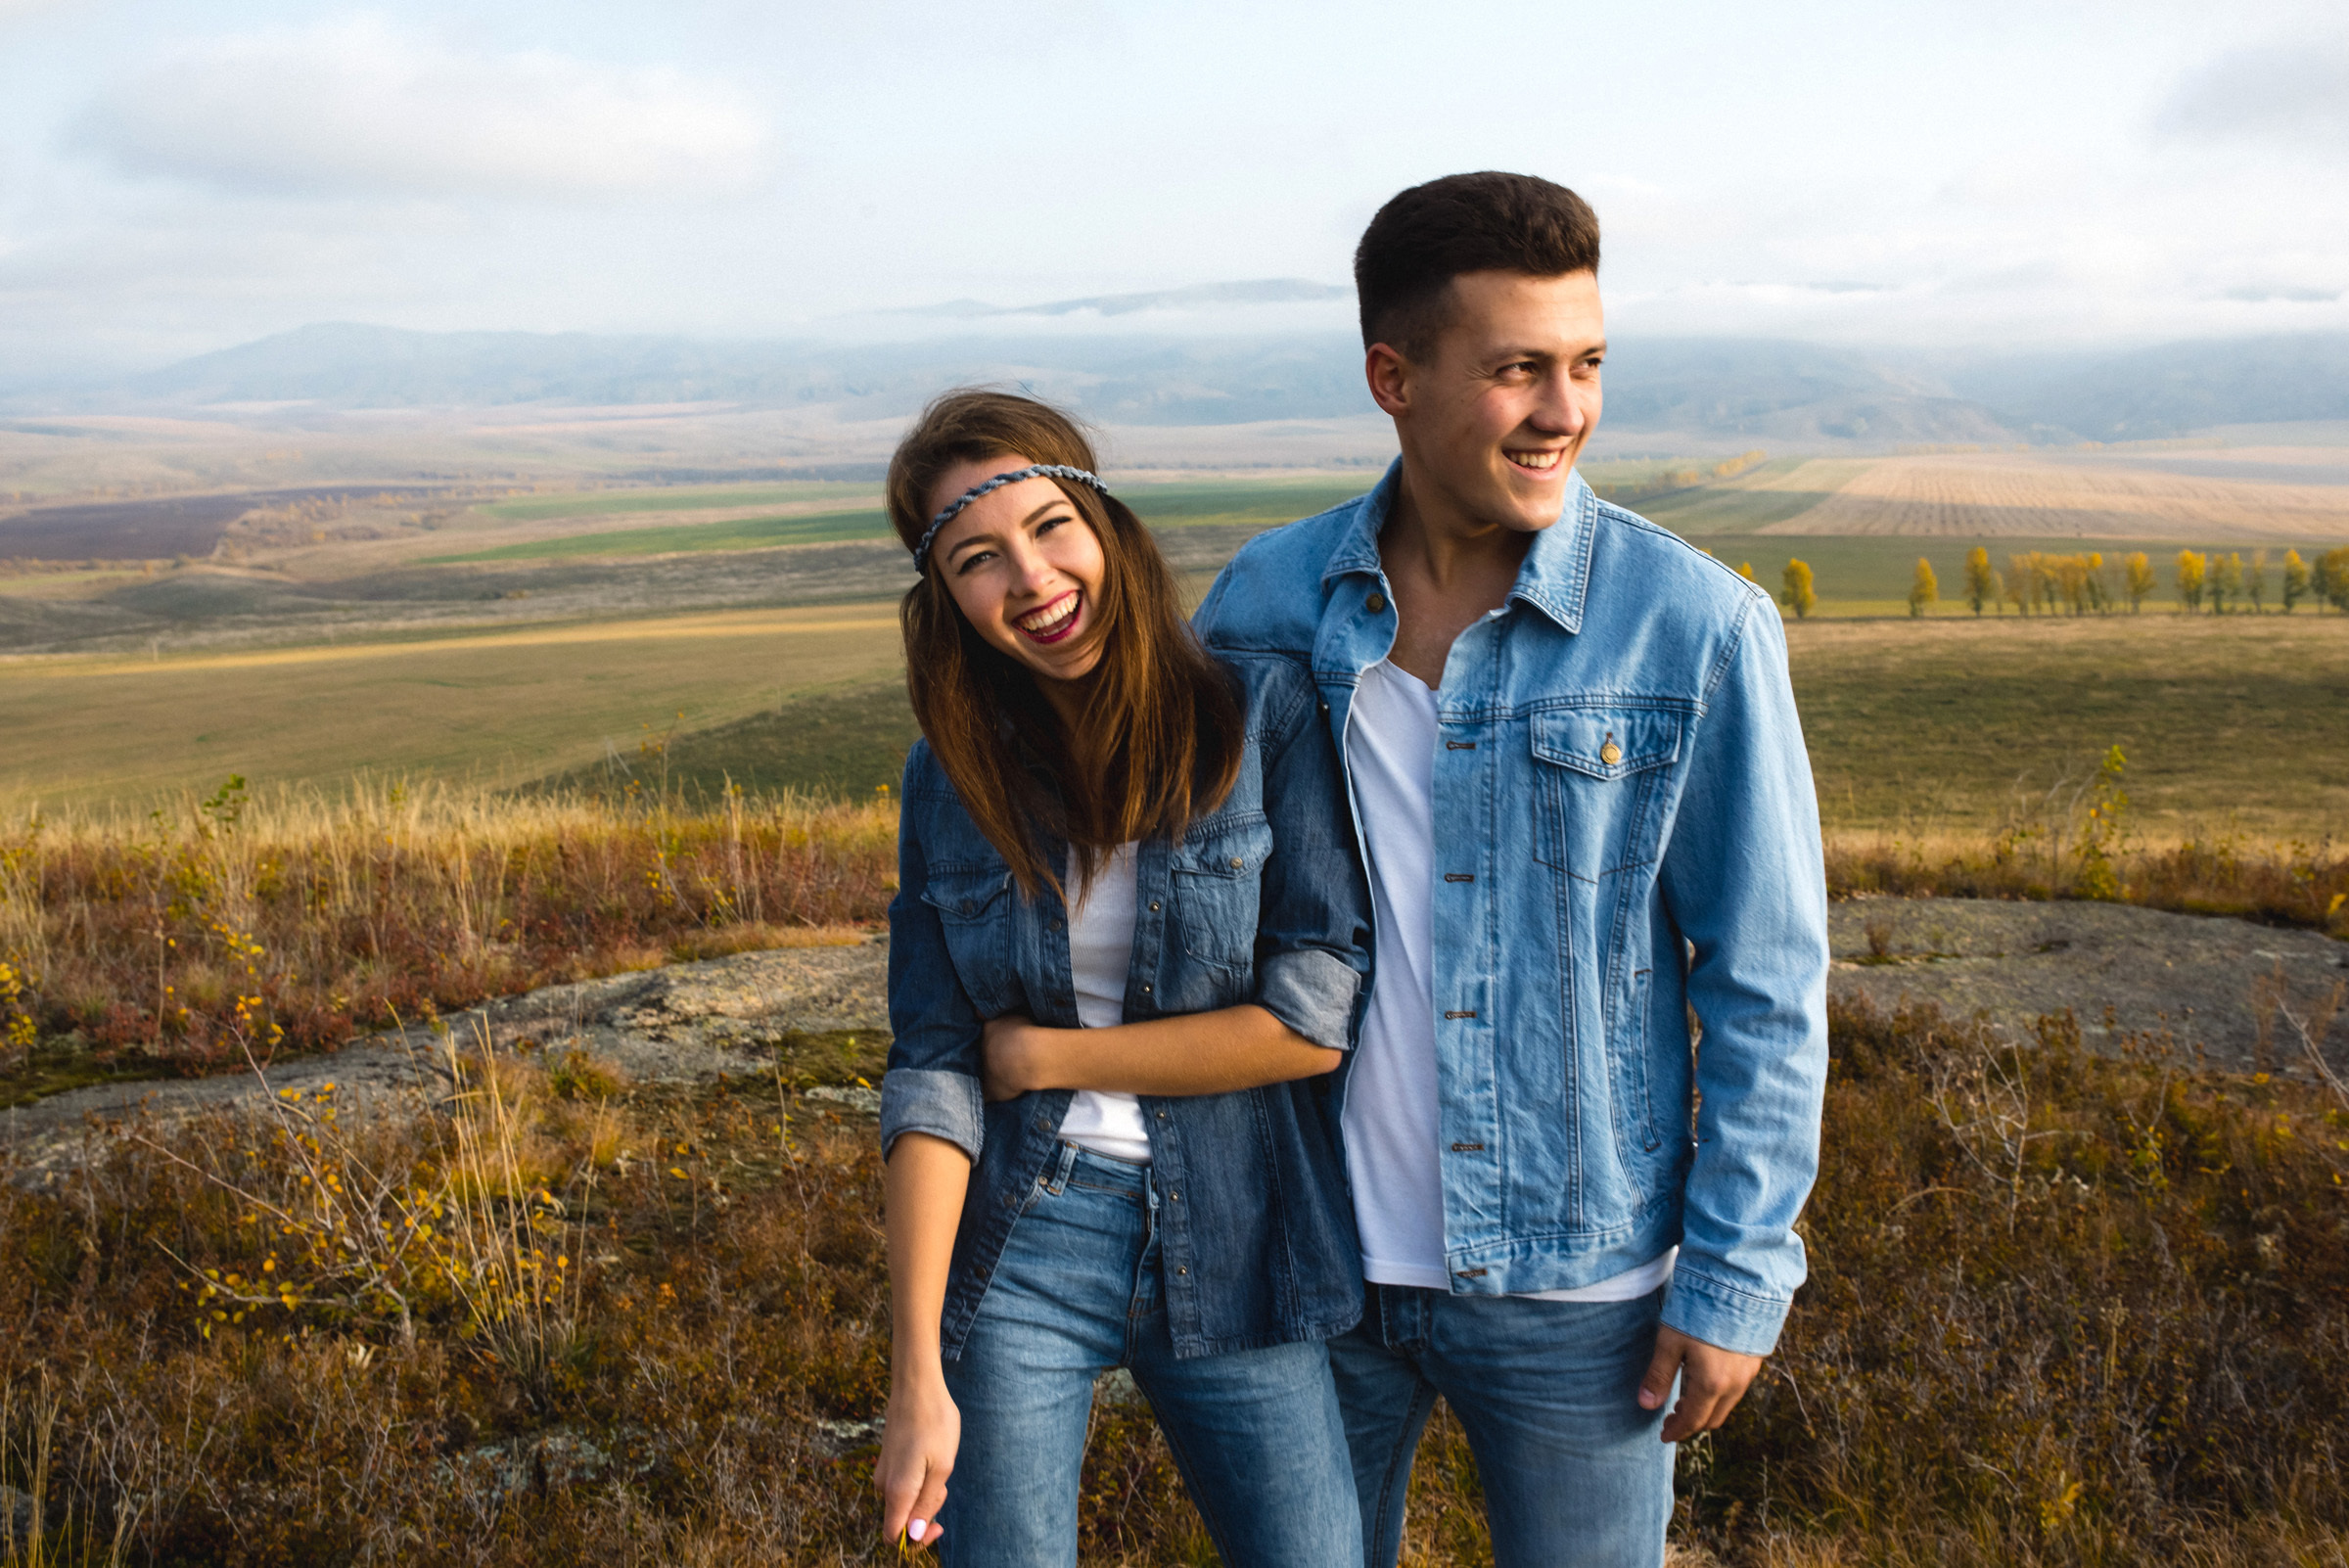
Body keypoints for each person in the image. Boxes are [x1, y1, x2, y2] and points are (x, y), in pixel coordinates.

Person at [1193, 172, 1830, 1567]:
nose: (1565, 409)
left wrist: (1735, 1273)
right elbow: (1183, 906)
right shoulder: (1263, 604)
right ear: (1394, 376)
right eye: (1518, 370)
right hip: (1313, 1267)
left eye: (1588, 363)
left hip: (1578, 1285)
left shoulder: (1695, 626)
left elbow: (1768, 975)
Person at [873, 390, 1374, 1567]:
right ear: (945, 602)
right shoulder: (947, 781)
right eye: (978, 561)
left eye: (1051, 527)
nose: (1034, 579)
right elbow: (933, 1075)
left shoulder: (1259, 716)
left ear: (1105, 524)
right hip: (1023, 1241)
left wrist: (1050, 1055)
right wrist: (914, 1375)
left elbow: (1311, 1021)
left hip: (1246, 1230)